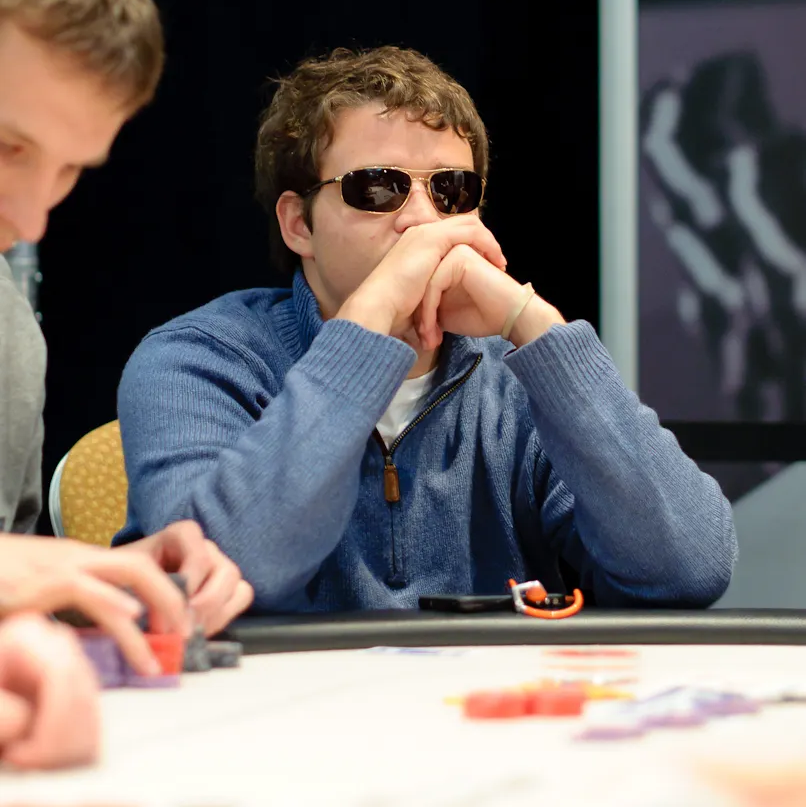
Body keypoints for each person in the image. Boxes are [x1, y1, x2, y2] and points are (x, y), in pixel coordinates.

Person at [116, 45, 737, 613]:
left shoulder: (516, 378)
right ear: (299, 225)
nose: (421, 219)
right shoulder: (197, 359)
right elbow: (216, 575)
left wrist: (536, 325)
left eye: (452, 190)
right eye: (376, 187)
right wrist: (371, 320)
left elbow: (687, 569)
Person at [0, 0, 253, 769]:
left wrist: (105, 581)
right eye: (8, 146)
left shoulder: (10, 338)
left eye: (71, 169)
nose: (31, 218)